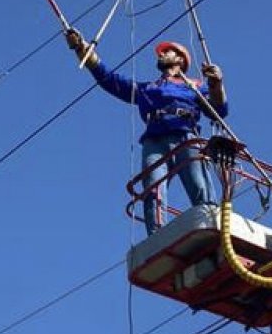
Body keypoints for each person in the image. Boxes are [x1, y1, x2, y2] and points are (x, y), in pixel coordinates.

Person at [65, 28, 228, 235]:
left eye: (166, 52)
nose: (160, 54)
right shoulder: (147, 89)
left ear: (180, 59)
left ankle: (209, 222)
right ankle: (156, 234)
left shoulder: (195, 86)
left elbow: (219, 110)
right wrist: (82, 49)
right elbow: (110, 80)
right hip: (155, 141)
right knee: (153, 188)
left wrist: (216, 84)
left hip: (185, 134)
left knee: (197, 181)